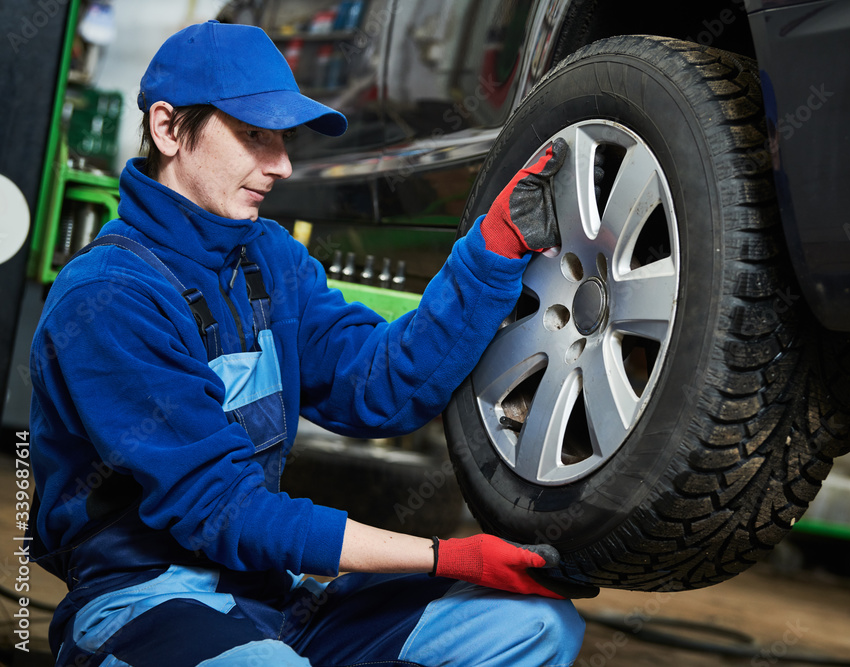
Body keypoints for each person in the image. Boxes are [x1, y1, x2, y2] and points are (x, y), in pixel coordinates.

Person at [28, 20, 593, 667]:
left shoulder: (268, 258)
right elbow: (227, 510)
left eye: (284, 139)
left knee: (537, 624)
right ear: (166, 128)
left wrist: (494, 250)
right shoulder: (109, 297)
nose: (283, 164)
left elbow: (383, 384)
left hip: (273, 597)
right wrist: (445, 554)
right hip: (144, 602)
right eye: (254, 136)